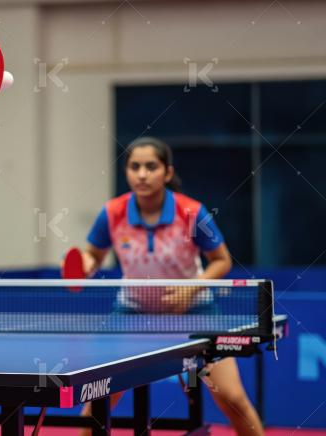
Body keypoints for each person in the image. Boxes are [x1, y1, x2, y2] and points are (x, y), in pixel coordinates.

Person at [74, 137, 263, 436]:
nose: (142, 174)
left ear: (167, 172)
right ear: (126, 172)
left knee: (231, 397)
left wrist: (192, 287)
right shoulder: (112, 213)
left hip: (194, 311)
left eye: (151, 166)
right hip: (133, 313)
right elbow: (93, 255)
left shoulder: (191, 212)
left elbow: (221, 260)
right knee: (97, 402)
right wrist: (85, 264)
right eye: (135, 167)